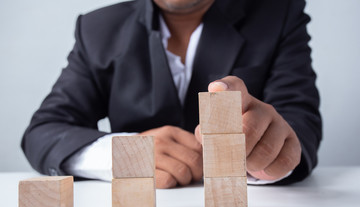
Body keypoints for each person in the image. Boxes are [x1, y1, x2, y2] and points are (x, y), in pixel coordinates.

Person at [21, 0, 322, 188]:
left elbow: (300, 121)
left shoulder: (280, 12)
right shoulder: (98, 28)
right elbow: (44, 132)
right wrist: (125, 155)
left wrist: (272, 152)